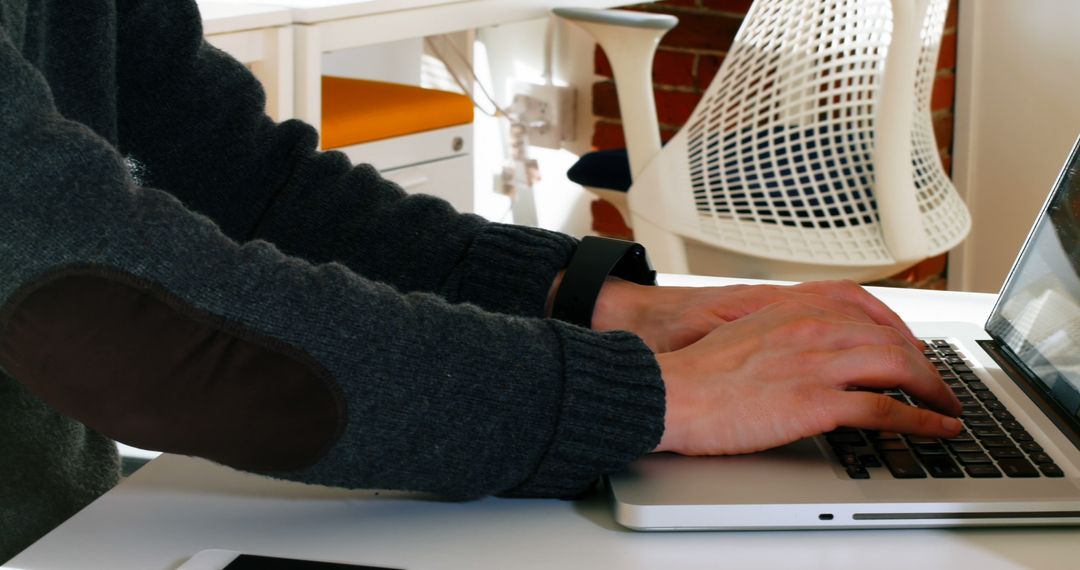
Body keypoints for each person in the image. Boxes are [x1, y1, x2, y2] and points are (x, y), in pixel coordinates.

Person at [0, 0, 963, 561]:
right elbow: (100, 308)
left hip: (69, 519)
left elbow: (235, 177)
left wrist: (592, 300)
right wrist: (642, 398)